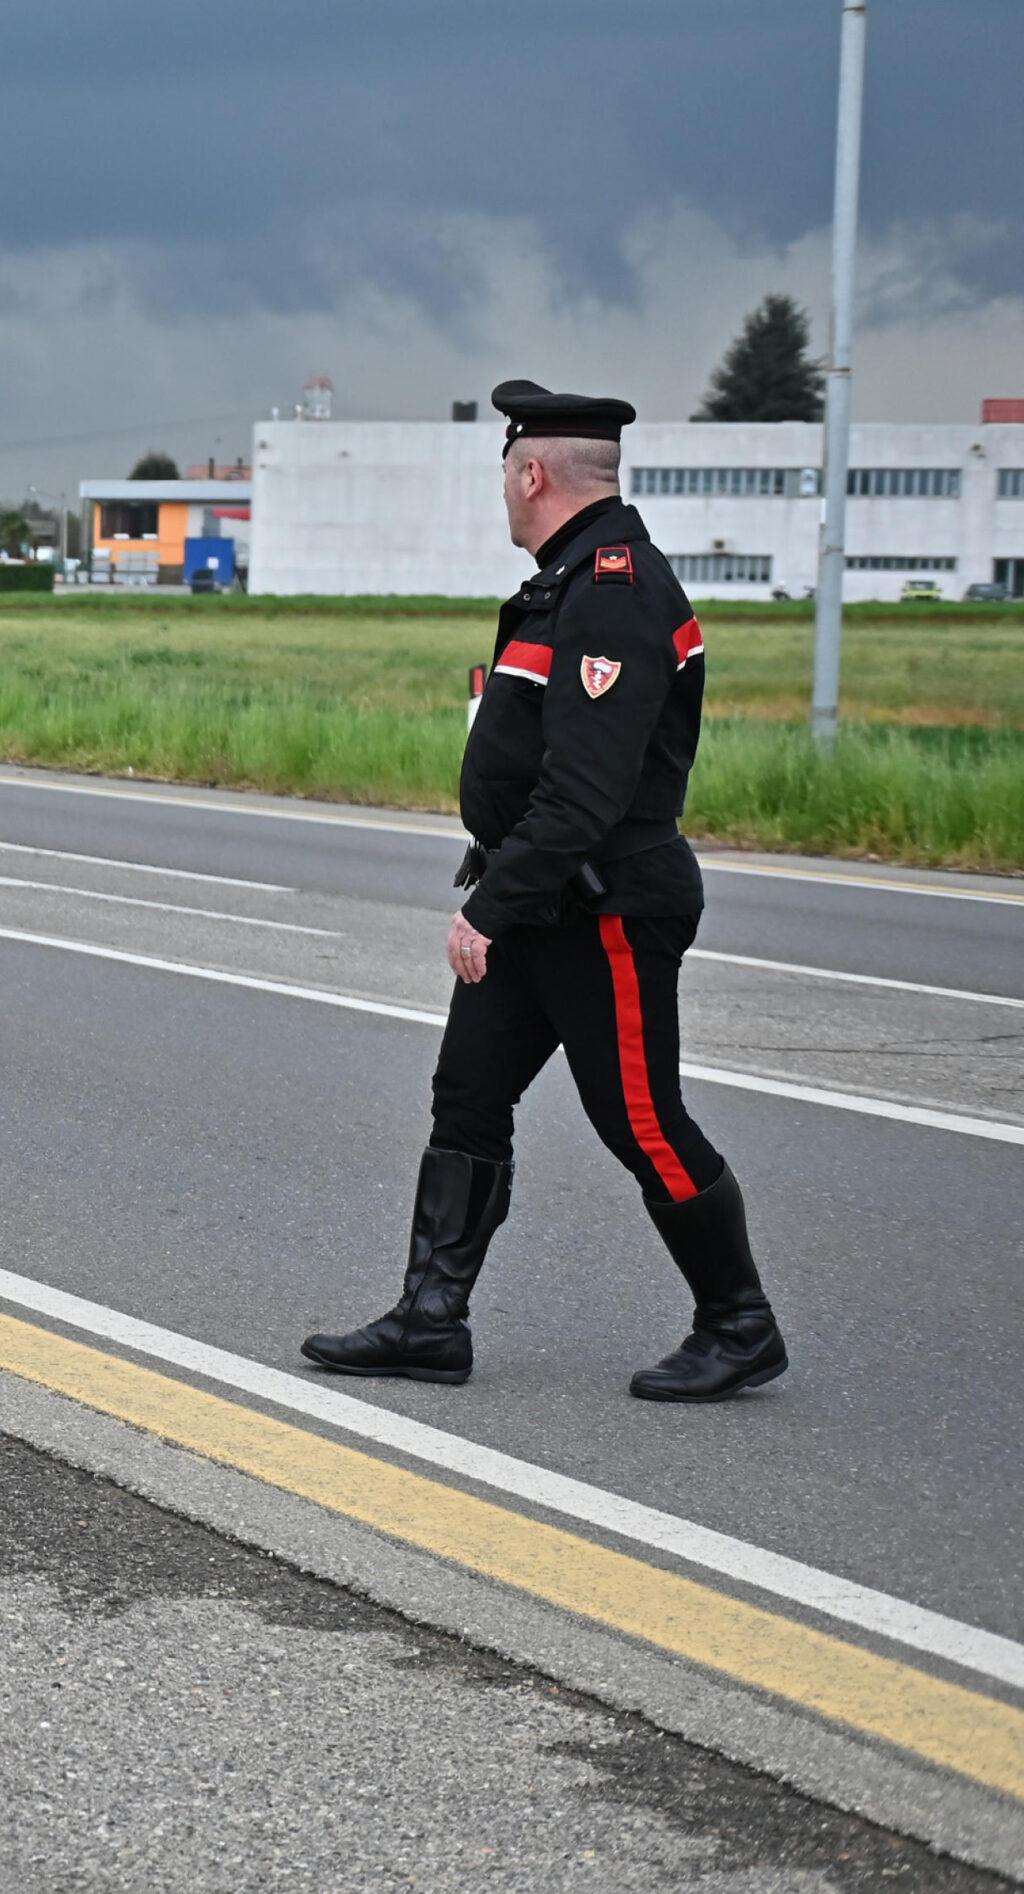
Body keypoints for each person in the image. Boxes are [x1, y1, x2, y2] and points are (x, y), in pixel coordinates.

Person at [301, 380, 787, 1403]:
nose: (504, 494)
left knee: (639, 1120)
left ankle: (739, 1324)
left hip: (601, 901)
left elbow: (586, 791)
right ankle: (430, 1319)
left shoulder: (613, 590)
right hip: (541, 898)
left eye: (506, 476)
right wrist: (507, 893)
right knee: (467, 1097)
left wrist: (489, 903)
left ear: (531, 473)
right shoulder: (561, 583)